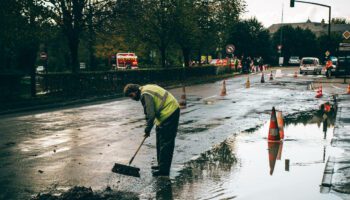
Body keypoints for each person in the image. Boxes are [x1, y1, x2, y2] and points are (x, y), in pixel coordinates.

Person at [123, 83, 180, 176]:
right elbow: (153, 112)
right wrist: (149, 128)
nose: (132, 98)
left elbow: (150, 114)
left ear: (135, 91)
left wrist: (147, 129)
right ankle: (161, 165)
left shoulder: (145, 94)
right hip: (163, 114)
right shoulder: (144, 90)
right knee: (160, 141)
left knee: (166, 143)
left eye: (131, 96)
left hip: (170, 112)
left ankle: (164, 170)